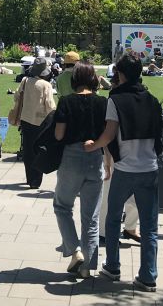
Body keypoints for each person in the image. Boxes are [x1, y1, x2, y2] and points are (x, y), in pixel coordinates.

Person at [84, 51, 162, 292]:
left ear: (120, 74)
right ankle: (148, 276)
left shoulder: (115, 100)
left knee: (113, 217)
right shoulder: (152, 99)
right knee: (150, 226)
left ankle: (113, 266)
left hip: (125, 168)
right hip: (149, 167)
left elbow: (109, 134)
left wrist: (92, 145)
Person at [52, 63, 108, 279]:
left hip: (72, 158)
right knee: (91, 217)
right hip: (96, 157)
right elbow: (108, 134)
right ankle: (87, 268)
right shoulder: (102, 102)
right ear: (94, 78)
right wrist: (109, 163)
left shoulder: (66, 101)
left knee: (62, 206)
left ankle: (75, 251)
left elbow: (58, 135)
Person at [11, 57, 56, 189]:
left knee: (28, 150)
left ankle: (30, 177)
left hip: (25, 119)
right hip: (40, 121)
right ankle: (36, 180)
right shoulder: (45, 85)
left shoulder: (25, 81)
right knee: (38, 150)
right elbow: (50, 105)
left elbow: (16, 97)